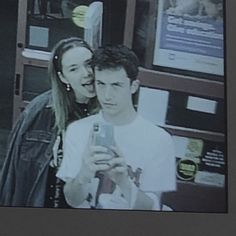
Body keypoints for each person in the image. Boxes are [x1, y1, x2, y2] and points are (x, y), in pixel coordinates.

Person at [56, 45, 176, 210]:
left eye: (116, 85)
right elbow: (72, 200)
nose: (107, 95)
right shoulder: (78, 130)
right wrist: (83, 174)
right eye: (101, 84)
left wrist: (124, 182)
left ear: (134, 86)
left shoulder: (159, 140)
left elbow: (152, 209)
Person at [0, 37, 98, 208]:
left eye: (89, 64)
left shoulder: (109, 107)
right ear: (63, 78)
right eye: (74, 69)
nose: (86, 73)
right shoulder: (41, 111)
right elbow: (15, 175)